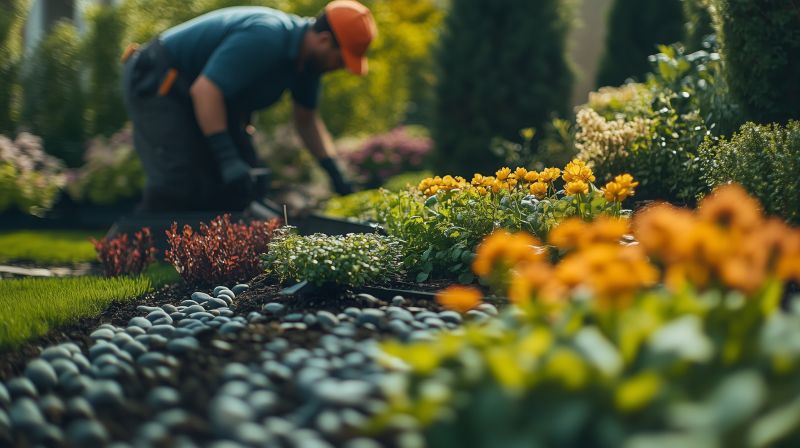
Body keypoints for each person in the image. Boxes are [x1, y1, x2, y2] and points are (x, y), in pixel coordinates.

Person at [121, 0, 377, 212]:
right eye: (341, 60)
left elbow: (306, 120)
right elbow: (206, 91)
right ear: (323, 40)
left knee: (246, 183)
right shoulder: (267, 36)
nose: (340, 68)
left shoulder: (307, 67)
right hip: (159, 79)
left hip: (205, 97)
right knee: (179, 179)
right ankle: (130, 250)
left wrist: (336, 175)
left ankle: (214, 258)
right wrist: (226, 157)